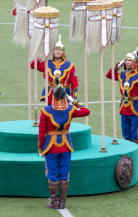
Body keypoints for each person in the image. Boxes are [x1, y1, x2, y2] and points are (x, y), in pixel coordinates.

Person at [38, 74, 90, 210]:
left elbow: (41, 132)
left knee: (53, 173)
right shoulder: (71, 109)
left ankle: (54, 201)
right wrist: (75, 101)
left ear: (53, 96)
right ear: (64, 97)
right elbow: (86, 111)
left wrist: (40, 148)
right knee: (64, 173)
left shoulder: (45, 111)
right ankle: (62, 202)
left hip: (51, 146)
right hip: (66, 145)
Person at [107, 47, 138, 154]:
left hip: (135, 108)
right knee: (126, 133)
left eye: (130, 60)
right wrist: (117, 66)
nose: (127, 62)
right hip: (124, 107)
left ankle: (135, 158)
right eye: (126, 59)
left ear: (134, 62)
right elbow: (109, 75)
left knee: (135, 134)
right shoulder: (122, 74)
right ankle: (128, 156)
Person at [31, 36, 79, 105]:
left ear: (63, 52)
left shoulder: (70, 65)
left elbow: (75, 84)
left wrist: (73, 99)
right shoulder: (46, 63)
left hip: (65, 96)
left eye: (60, 49)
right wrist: (41, 54)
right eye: (55, 49)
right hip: (50, 96)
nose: (57, 51)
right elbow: (32, 65)